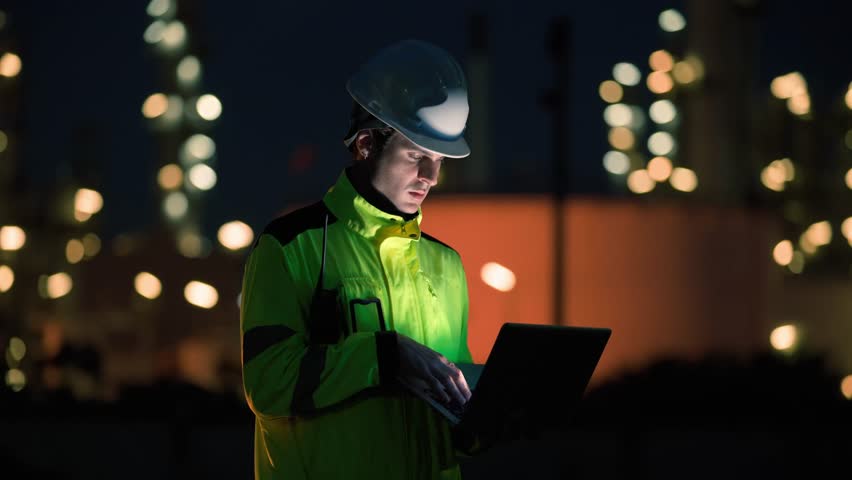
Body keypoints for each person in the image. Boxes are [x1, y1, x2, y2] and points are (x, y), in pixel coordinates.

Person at [240, 39, 475, 479]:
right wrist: (384, 356)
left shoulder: (447, 266)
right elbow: (268, 384)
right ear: (366, 144)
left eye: (439, 159)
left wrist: (485, 421)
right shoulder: (292, 247)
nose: (431, 177)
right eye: (417, 155)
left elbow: (452, 403)